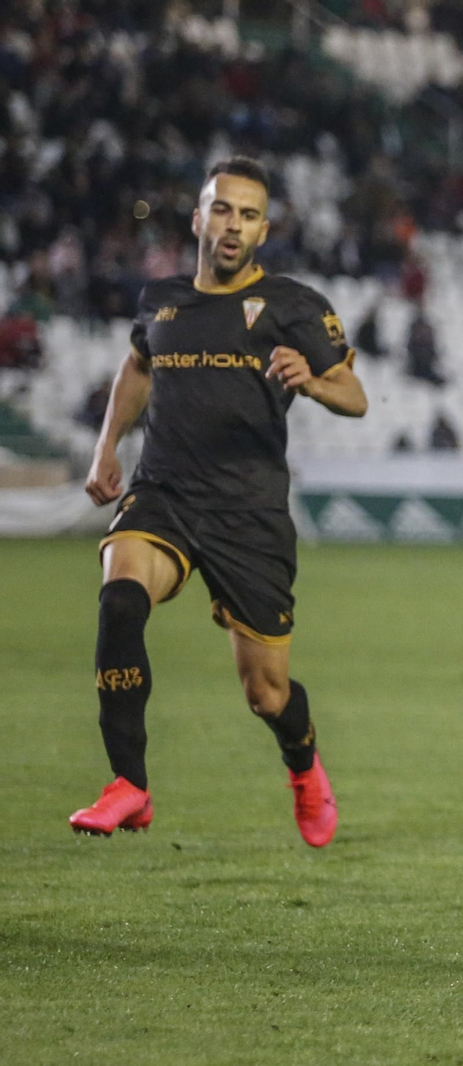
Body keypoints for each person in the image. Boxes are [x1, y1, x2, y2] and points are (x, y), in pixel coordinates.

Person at [73, 157, 368, 846]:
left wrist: (314, 382)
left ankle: (302, 764)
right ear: (199, 218)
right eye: (222, 209)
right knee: (119, 597)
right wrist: (106, 446)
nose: (234, 224)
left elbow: (355, 394)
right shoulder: (162, 300)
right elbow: (139, 365)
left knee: (266, 694)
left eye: (249, 214)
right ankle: (130, 785)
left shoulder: (295, 305)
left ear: (264, 230)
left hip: (251, 514)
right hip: (164, 493)